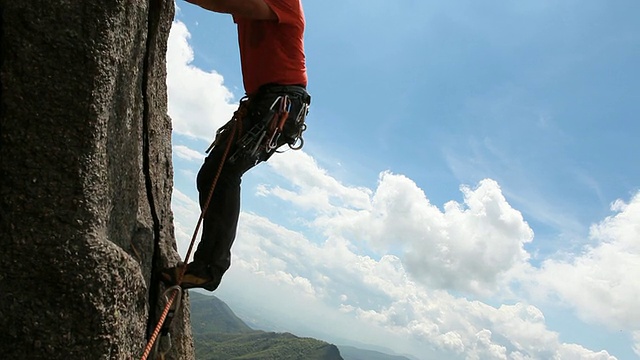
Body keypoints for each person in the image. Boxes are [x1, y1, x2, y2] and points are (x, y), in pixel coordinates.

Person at [161, 0, 310, 291]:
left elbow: (233, 3)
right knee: (217, 173)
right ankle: (207, 265)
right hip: (271, 100)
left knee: (223, 173)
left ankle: (209, 267)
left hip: (278, 102)